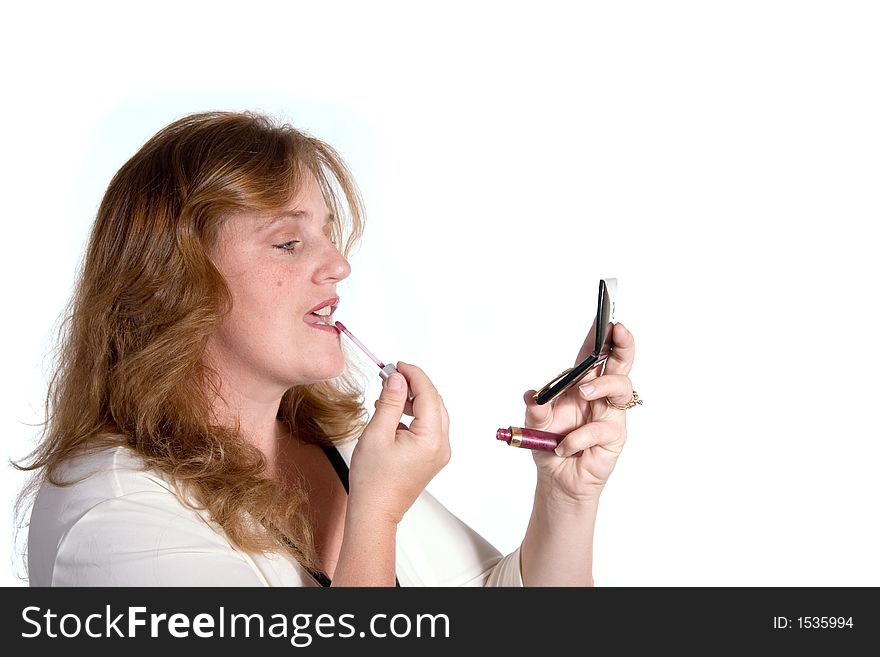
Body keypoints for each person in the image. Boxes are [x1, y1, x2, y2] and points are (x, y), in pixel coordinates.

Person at [16, 111, 638, 586]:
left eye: (331, 237)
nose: (339, 265)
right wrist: (373, 516)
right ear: (174, 281)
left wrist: (567, 496)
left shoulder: (332, 447)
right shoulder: (112, 514)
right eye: (288, 243)